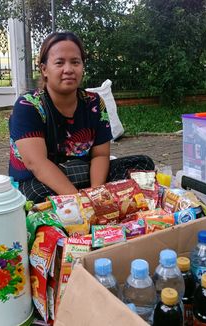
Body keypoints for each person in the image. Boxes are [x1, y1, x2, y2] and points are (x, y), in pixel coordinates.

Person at [9, 31, 154, 203]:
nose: (68, 69)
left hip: (83, 173)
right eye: (59, 62)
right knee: (33, 196)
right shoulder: (29, 106)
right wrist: (80, 202)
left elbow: (100, 155)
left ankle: (98, 199)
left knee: (143, 165)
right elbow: (37, 164)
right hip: (41, 180)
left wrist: (96, 194)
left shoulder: (94, 103)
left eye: (75, 62)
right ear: (44, 69)